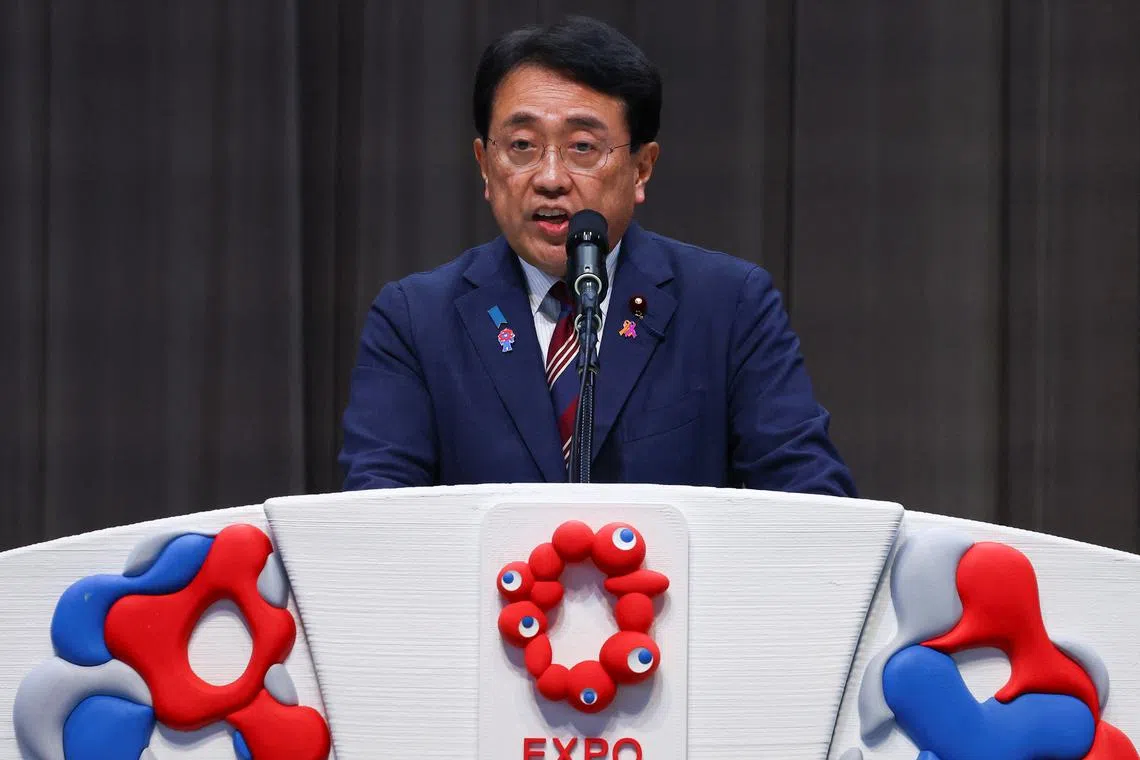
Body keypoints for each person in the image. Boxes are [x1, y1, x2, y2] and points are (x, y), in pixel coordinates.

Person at [338, 16, 856, 496]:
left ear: (641, 168)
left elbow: (811, 497)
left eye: (583, 147)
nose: (550, 178)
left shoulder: (729, 305)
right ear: (485, 165)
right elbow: (379, 511)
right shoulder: (415, 319)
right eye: (522, 145)